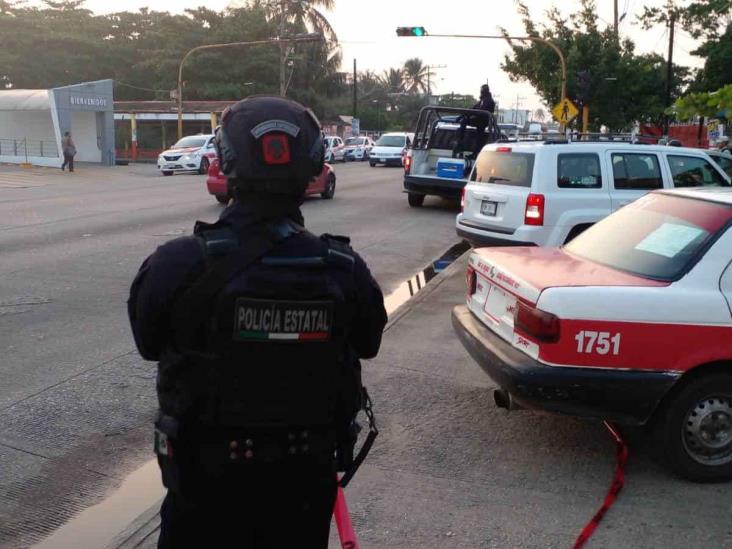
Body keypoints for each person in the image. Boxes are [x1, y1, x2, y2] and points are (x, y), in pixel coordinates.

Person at [128, 95, 387, 548]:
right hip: (301, 495)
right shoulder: (343, 270)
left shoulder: (176, 264)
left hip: (202, 496)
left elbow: (149, 343)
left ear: (225, 161)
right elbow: (368, 342)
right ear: (313, 168)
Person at [454, 83, 497, 159]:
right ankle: (460, 144)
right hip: (478, 120)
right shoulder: (482, 100)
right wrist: (462, 116)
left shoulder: (489, 101)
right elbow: (473, 109)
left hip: (483, 122)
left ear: (485, 91)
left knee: (479, 137)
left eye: (482, 90)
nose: (481, 92)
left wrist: (472, 115)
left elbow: (482, 111)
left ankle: (475, 153)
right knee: (464, 121)